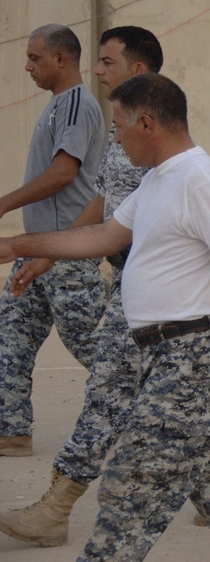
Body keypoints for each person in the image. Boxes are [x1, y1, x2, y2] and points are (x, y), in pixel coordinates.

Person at [0, 73, 210, 560]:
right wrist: (16, 246)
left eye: (119, 128)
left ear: (146, 123)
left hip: (194, 360)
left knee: (130, 492)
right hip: (173, 355)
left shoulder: (201, 181)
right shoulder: (158, 179)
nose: (115, 139)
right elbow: (105, 237)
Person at [0, 27, 172, 547]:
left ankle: (57, 505)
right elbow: (105, 206)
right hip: (124, 278)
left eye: (106, 61)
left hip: (157, 290)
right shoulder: (126, 134)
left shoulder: (163, 142)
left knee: (111, 380)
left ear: (137, 71)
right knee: (183, 401)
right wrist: (46, 251)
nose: (98, 70)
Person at [0, 24, 106, 458]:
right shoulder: (57, 106)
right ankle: (12, 431)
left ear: (61, 59)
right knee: (11, 338)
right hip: (39, 249)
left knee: (93, 347)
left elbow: (64, 172)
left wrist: (4, 203)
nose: (27, 67)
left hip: (67, 252)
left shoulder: (79, 104)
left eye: (35, 58)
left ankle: (164, 414)